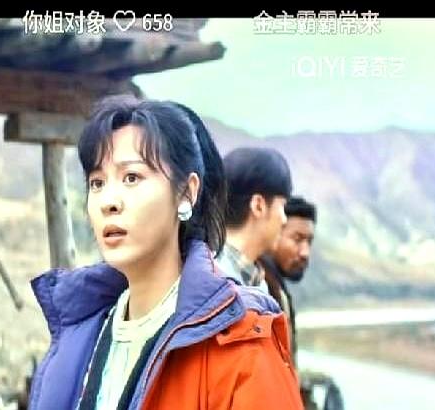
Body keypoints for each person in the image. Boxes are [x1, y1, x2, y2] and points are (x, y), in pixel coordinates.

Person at [28, 96, 302, 410]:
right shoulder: (78, 338)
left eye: (131, 177)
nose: (108, 201)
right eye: (97, 182)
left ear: (186, 193)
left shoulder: (242, 345)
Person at [216, 147, 293, 294]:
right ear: (258, 206)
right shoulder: (218, 284)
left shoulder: (252, 278)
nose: (284, 220)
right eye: (282, 206)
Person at [259, 195, 317, 361]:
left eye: (309, 242)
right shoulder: (260, 288)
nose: (305, 253)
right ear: (274, 232)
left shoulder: (274, 286)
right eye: (297, 239)